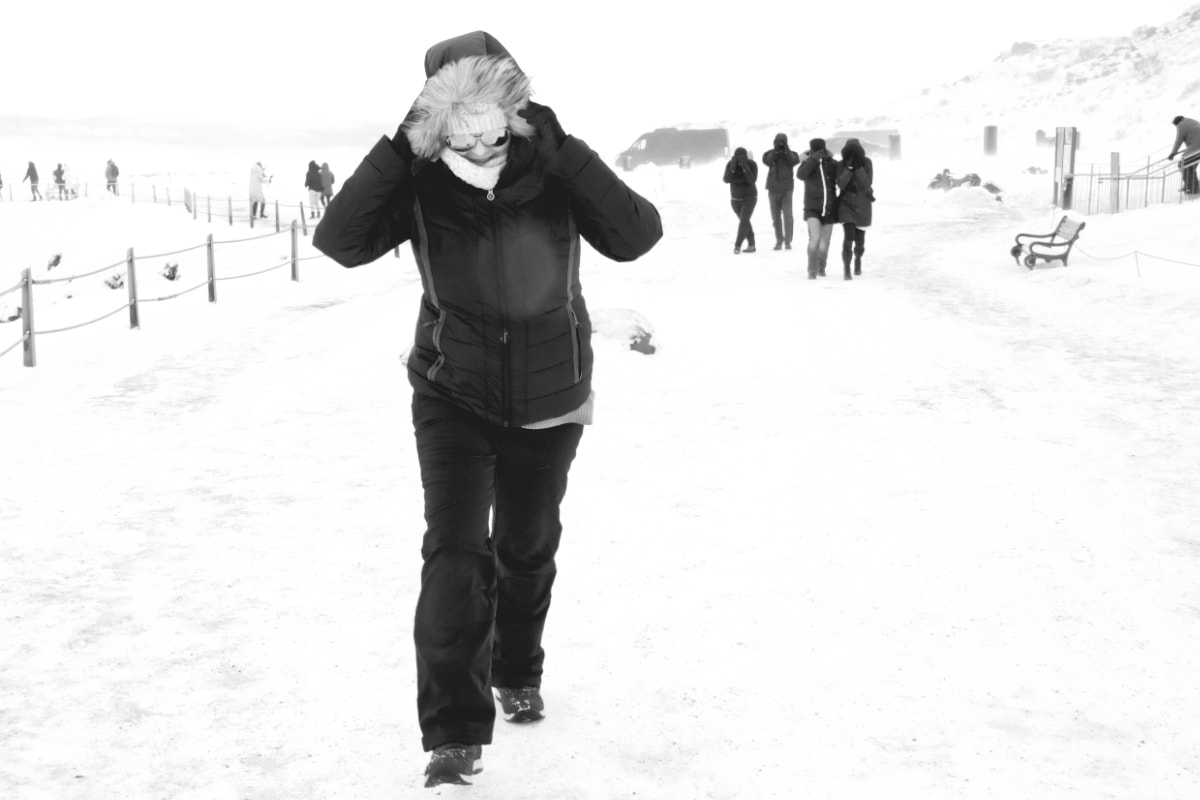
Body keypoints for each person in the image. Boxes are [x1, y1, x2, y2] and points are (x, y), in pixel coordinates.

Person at [312, 30, 662, 789]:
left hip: (550, 397)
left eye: (492, 108)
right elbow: (338, 242)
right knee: (456, 555)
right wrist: (400, 150)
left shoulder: (551, 166)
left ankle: (517, 667)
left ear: (516, 104)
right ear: (435, 116)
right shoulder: (419, 181)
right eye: (456, 113)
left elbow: (636, 236)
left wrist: (565, 147)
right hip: (452, 393)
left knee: (527, 546)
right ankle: (454, 733)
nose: (477, 130)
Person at [795, 138, 838, 279]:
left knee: (824, 244)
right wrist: (812, 159)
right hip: (812, 209)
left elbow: (842, 179)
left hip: (830, 208)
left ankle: (821, 267)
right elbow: (800, 175)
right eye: (816, 149)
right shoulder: (807, 164)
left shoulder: (832, 164)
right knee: (815, 239)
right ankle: (811, 270)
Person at [836, 138, 874, 280]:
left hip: (863, 204)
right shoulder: (841, 164)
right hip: (846, 204)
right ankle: (847, 268)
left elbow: (868, 183)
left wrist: (858, 168)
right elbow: (841, 184)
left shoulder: (867, 162)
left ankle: (858, 259)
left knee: (860, 240)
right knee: (849, 235)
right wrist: (849, 170)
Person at [761, 132, 800, 250]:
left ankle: (788, 241)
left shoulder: (792, 154)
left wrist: (786, 149)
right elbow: (767, 161)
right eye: (778, 141)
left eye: (783, 141)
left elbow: (793, 161)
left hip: (787, 189)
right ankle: (779, 240)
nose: (781, 144)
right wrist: (776, 150)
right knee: (776, 217)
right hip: (773, 189)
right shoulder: (769, 154)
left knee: (788, 216)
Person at [723, 147, 758, 254]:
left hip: (750, 197)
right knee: (745, 221)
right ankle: (752, 245)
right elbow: (726, 179)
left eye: (742, 156)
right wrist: (733, 168)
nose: (740, 159)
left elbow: (752, 180)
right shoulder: (730, 164)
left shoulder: (751, 164)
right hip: (735, 199)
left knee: (744, 221)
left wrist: (744, 166)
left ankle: (737, 246)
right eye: (738, 156)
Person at [1167, 114, 1200, 196]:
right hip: (1197, 147)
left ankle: (1191, 189)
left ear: (1176, 123)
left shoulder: (1181, 125)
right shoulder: (1191, 121)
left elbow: (1179, 140)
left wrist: (1173, 153)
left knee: (1183, 164)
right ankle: (1193, 187)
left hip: (1196, 148)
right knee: (1190, 167)